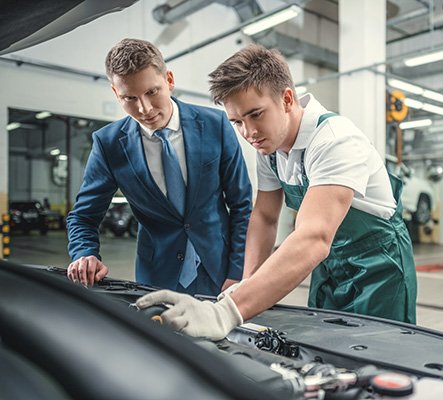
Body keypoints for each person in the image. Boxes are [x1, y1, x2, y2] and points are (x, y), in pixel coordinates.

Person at [136, 44, 417, 340]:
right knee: (330, 347)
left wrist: (227, 311)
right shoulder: (270, 149)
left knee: (378, 353)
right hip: (331, 266)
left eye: (256, 114)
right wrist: (245, 287)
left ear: (286, 99)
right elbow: (265, 217)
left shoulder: (335, 141)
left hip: (379, 266)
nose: (249, 133)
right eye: (238, 122)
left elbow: (314, 237)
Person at [66, 38, 252, 296]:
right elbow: (83, 217)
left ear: (169, 80)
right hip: (156, 278)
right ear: (115, 93)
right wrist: (85, 254)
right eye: (130, 98)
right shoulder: (109, 144)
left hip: (220, 272)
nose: (145, 109)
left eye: (152, 92)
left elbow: (242, 205)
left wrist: (238, 271)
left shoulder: (215, 125)